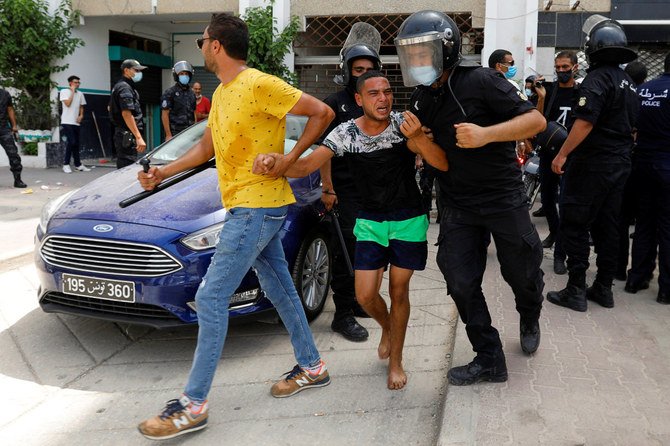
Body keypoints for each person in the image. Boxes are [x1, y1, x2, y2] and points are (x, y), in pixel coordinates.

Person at [136, 13, 334, 440]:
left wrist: (286, 160)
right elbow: (206, 148)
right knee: (281, 287)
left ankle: (193, 405)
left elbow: (322, 112)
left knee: (209, 298)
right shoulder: (224, 94)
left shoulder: (259, 83)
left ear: (217, 46)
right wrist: (162, 173)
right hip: (247, 207)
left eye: (202, 42)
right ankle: (313, 366)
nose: (201, 49)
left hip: (257, 208)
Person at [254, 71, 448, 390]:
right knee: (365, 295)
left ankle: (396, 361)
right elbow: (306, 165)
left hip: (408, 218)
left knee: (399, 291)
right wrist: (278, 161)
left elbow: (441, 164)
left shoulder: (404, 124)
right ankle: (389, 327)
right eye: (374, 93)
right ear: (359, 100)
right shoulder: (346, 133)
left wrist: (422, 140)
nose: (383, 98)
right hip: (370, 220)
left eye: (386, 92)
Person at [395, 10, 546, 386]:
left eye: (422, 52)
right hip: (458, 202)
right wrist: (416, 140)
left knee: (521, 272)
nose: (416, 61)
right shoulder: (422, 98)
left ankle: (530, 312)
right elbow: (439, 161)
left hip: (502, 197)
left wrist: (486, 135)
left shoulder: (482, 80)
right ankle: (489, 357)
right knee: (460, 280)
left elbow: (535, 122)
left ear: (445, 50)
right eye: (410, 54)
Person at [546, 16, 639, 312]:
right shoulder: (629, 82)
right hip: (619, 164)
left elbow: (585, 123)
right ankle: (603, 288)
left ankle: (575, 290)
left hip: (592, 165)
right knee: (608, 226)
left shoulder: (597, 79)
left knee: (574, 223)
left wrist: (562, 154)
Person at [318, 27, 382, 342]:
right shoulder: (335, 103)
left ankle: (357, 303)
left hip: (373, 195)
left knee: (365, 253)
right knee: (345, 255)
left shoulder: (377, 102)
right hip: (344, 194)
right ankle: (341, 315)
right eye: (358, 70)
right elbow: (324, 152)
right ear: (347, 70)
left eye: (369, 70)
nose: (364, 75)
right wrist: (328, 189)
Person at [625, 52, 670, 304]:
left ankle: (636, 279)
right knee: (667, 227)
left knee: (644, 223)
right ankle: (666, 288)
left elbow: (631, 125)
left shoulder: (643, 90)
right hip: (666, 165)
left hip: (642, 163)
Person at [533, 51, 581, 275]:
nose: (561, 71)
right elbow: (538, 121)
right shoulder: (550, 91)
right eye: (558, 67)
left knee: (566, 202)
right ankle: (554, 231)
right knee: (548, 199)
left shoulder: (581, 92)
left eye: (565, 67)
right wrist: (541, 98)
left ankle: (561, 253)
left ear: (575, 67)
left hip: (570, 156)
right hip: (548, 153)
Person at [616, 61, 648, 281]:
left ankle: (618, 270)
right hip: (649, 164)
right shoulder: (643, 95)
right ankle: (639, 274)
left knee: (619, 220)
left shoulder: (624, 96)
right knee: (647, 223)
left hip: (623, 163)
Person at [109, 59, 147, 169]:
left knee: (127, 165)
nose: (139, 73)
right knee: (126, 167)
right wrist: (138, 137)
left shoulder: (123, 86)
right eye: (136, 70)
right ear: (126, 70)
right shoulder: (124, 87)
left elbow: (109, 107)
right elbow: (126, 113)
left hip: (126, 134)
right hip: (127, 136)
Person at [59, 75, 90, 173]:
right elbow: (68, 103)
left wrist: (81, 115)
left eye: (78, 82)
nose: (77, 84)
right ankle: (66, 164)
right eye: (75, 82)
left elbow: (81, 106)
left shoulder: (80, 94)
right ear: (70, 83)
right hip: (66, 121)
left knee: (76, 143)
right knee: (72, 142)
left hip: (76, 123)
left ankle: (78, 165)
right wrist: (72, 92)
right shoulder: (64, 92)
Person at [161, 61, 197, 140]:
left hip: (190, 133)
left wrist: (195, 131)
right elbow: (165, 114)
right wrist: (168, 134)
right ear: (176, 75)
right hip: (175, 134)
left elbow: (194, 113)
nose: (184, 76)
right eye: (182, 74)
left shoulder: (192, 93)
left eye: (186, 74)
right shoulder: (170, 93)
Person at [0, 88, 26, 188]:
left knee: (13, 154)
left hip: (4, 128)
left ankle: (18, 180)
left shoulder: (5, 94)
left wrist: (14, 125)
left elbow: (10, 109)